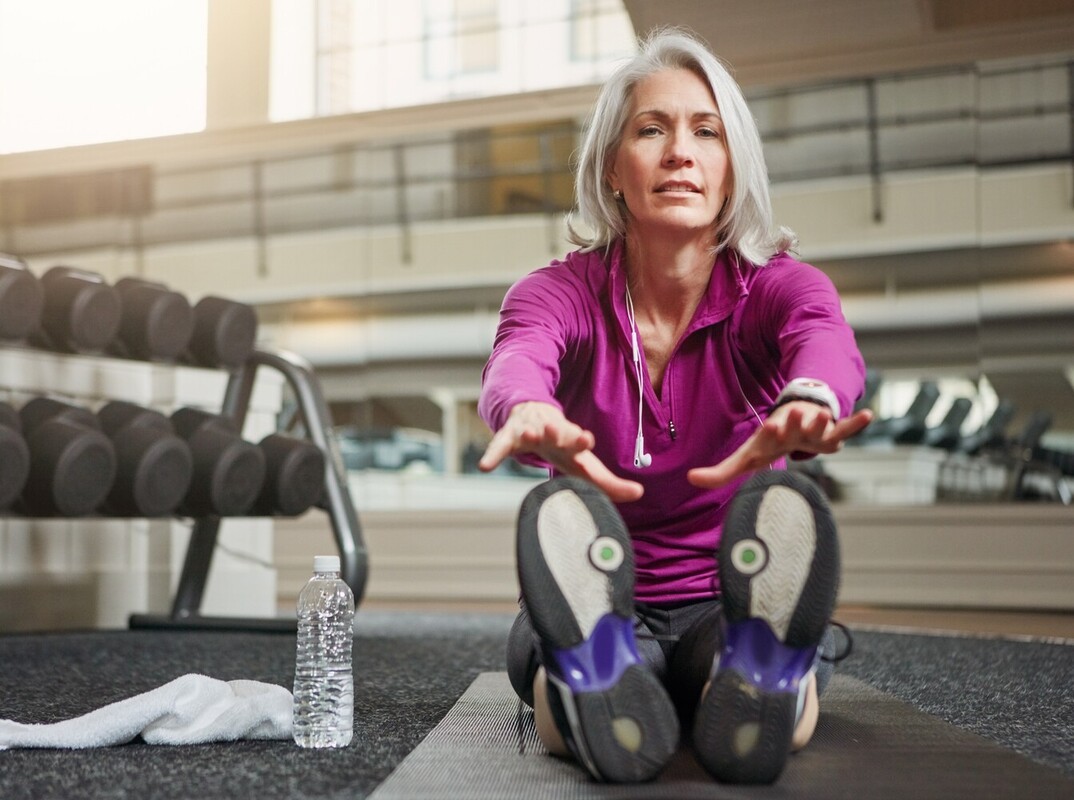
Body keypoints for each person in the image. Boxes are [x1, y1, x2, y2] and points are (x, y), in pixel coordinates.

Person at [477, 27, 873, 785]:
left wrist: (811, 394)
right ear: (611, 167)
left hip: (726, 595)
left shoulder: (775, 287)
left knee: (749, 686)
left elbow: (821, 336)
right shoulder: (557, 293)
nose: (680, 153)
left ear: (732, 168)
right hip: (594, 588)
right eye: (652, 130)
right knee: (557, 679)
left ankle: (754, 663)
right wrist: (524, 407)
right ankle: (596, 666)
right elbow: (519, 355)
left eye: (706, 132)